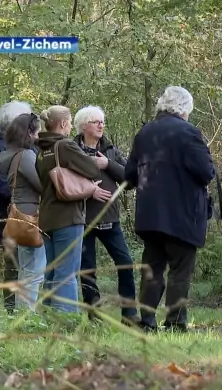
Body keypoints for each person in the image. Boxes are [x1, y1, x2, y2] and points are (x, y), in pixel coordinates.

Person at [125, 86, 216, 332]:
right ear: (185, 108)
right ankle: (175, 322)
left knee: (152, 269)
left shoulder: (145, 132)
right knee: (179, 270)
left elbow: (129, 175)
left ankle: (146, 321)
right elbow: (205, 172)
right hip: (182, 214)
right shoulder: (189, 133)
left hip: (150, 214)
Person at [35, 105, 106, 314]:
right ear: (64, 124)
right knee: (67, 272)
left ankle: (46, 317)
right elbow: (91, 169)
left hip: (47, 216)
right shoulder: (65, 146)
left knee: (52, 270)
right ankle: (66, 320)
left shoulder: (41, 150)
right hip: (67, 216)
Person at [73, 105, 138, 325]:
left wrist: (107, 164)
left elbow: (130, 180)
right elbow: (65, 181)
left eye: (102, 121)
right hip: (83, 220)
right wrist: (89, 189)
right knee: (87, 270)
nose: (101, 125)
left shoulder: (110, 149)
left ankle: (129, 314)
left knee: (125, 264)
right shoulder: (72, 149)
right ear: (83, 126)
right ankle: (95, 315)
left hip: (110, 219)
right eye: (95, 121)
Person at [0, 101, 32, 314]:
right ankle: (12, 310)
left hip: (15, 211)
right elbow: (0, 184)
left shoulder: (4, 142)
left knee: (18, 263)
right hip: (9, 214)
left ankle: (16, 308)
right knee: (14, 264)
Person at [0, 113, 44, 312]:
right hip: (30, 215)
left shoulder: (6, 154)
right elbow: (42, 184)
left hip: (16, 213)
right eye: (37, 130)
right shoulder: (26, 156)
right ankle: (26, 314)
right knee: (33, 270)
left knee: (24, 268)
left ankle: (18, 312)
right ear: (29, 133)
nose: (40, 134)